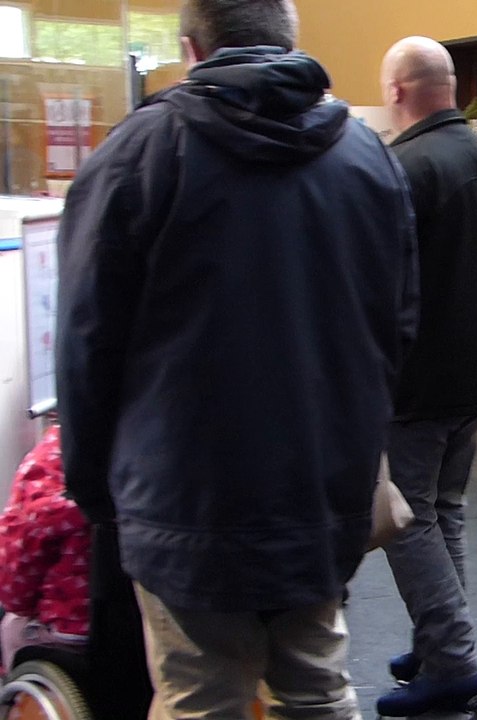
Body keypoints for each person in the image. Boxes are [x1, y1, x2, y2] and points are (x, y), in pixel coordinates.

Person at [55, 1, 419, 717]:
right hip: (319, 484)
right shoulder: (366, 157)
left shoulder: (136, 154)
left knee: (199, 692)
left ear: (192, 48)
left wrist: (98, 491)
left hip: (180, 491)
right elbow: (396, 328)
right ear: (290, 41)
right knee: (316, 684)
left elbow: (87, 342)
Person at [374, 36, 477, 718]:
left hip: (418, 379)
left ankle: (452, 659)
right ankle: (440, 645)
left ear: (398, 91)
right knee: (445, 512)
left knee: (408, 520)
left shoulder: (402, 167)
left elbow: (383, 284)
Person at [0, 424, 90, 674]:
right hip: (141, 623)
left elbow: (15, 591)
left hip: (68, 631)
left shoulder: (49, 464)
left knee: (10, 626)